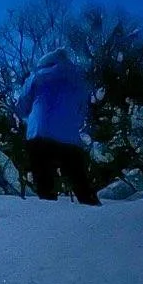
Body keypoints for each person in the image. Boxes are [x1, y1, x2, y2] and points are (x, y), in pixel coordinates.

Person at [16, 48, 100, 205]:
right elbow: (83, 109)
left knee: (44, 181)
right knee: (79, 180)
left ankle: (49, 219)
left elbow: (22, 106)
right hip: (70, 138)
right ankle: (97, 214)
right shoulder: (79, 78)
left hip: (40, 134)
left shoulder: (37, 76)